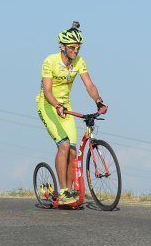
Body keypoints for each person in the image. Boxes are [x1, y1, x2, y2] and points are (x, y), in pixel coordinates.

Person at [36, 21, 107, 205]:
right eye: (72, 47)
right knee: (64, 145)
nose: (76, 51)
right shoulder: (50, 61)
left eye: (78, 48)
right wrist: (57, 106)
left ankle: (69, 194)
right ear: (63, 46)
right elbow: (47, 91)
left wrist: (98, 101)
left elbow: (89, 84)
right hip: (48, 105)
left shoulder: (79, 62)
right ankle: (63, 191)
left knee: (73, 152)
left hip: (66, 107)